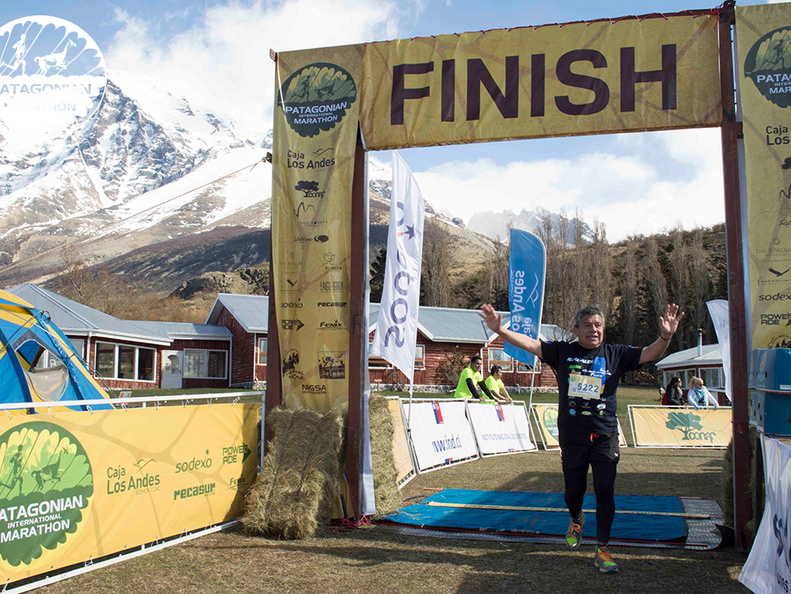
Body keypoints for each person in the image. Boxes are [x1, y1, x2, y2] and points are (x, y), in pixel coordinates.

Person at [480, 302, 684, 574]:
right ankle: (576, 519)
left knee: (605, 492)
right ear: (576, 329)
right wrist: (500, 330)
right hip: (573, 436)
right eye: (587, 325)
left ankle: (602, 547)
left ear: (604, 329)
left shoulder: (616, 354)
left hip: (605, 435)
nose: (593, 330)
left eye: (598, 325)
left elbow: (649, 353)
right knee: (573, 492)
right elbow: (531, 344)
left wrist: (666, 336)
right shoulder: (563, 351)